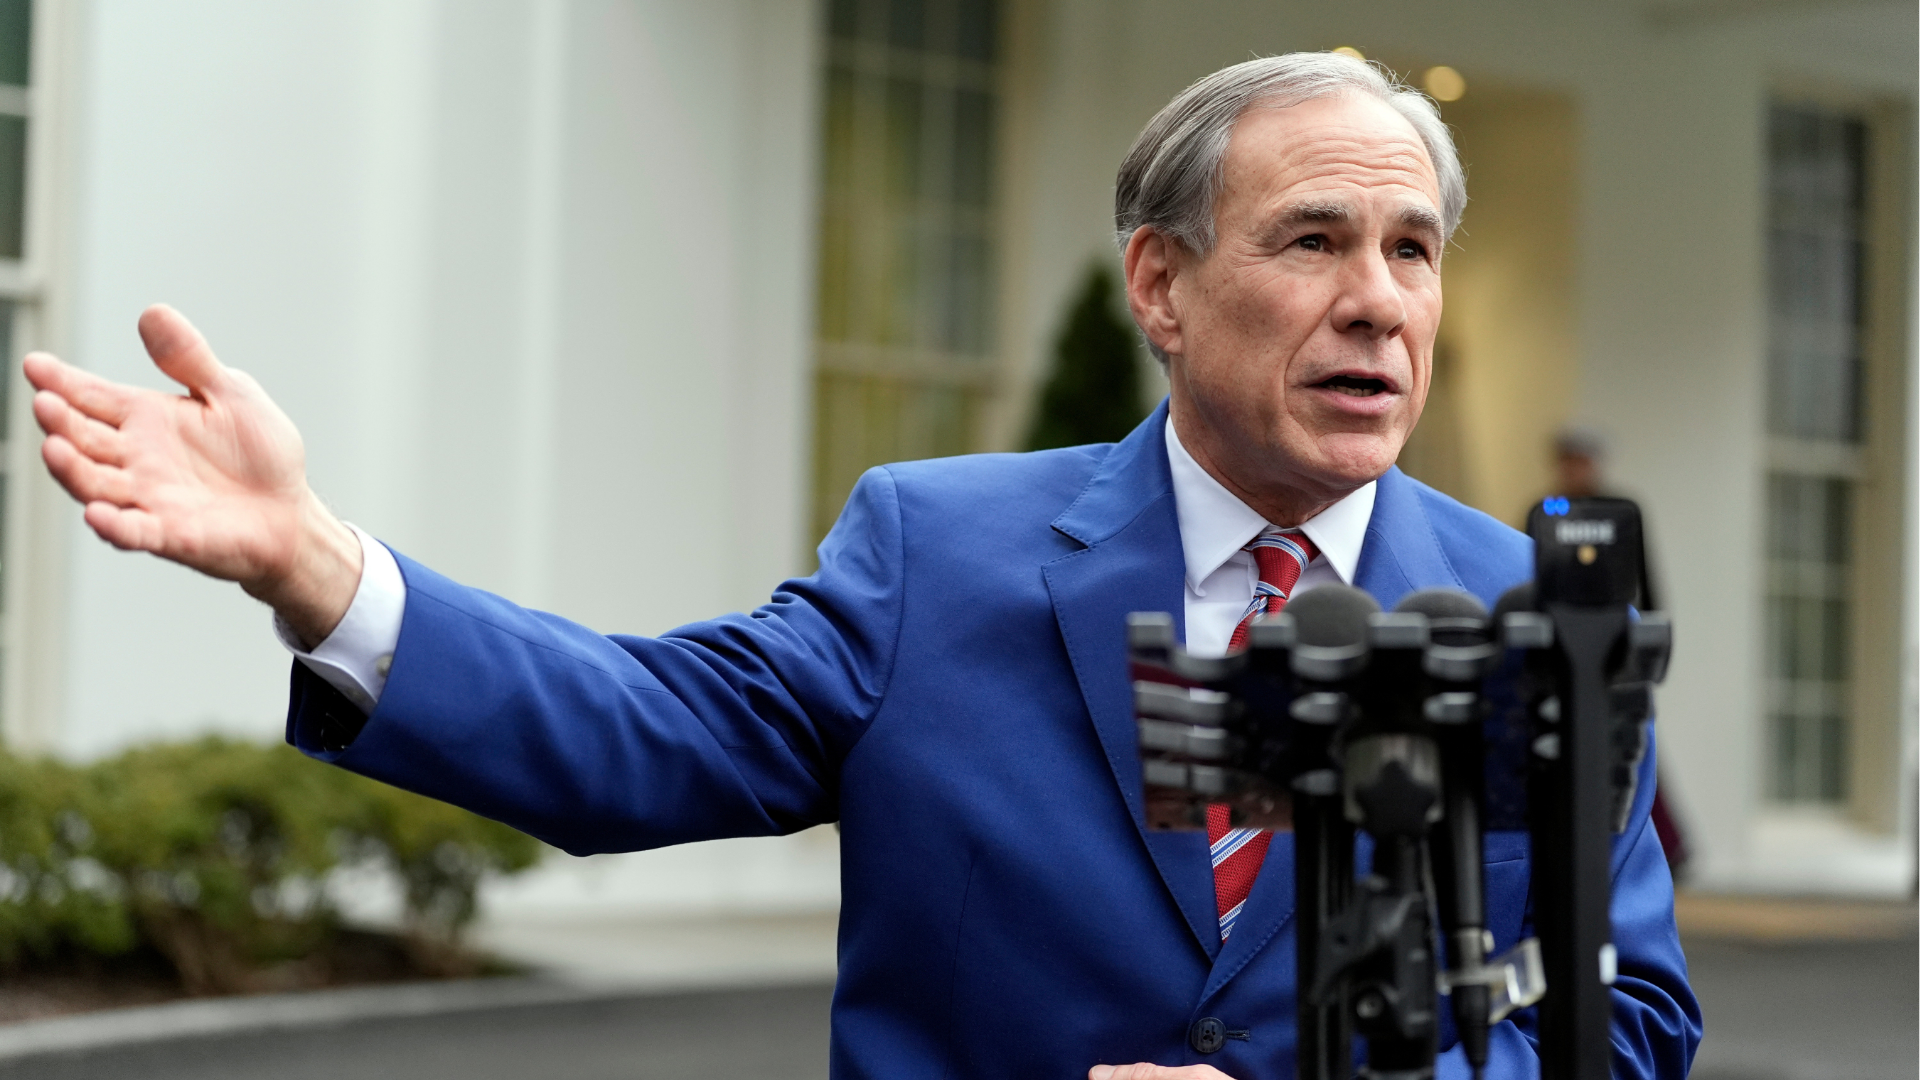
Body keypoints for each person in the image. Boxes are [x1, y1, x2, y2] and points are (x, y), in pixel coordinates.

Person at [23, 53, 1698, 1079]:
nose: (1381, 299)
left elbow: (1625, 1032)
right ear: (1162, 286)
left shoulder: (1538, 619)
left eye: (1413, 250)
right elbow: (640, 737)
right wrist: (316, 565)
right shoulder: (936, 551)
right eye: (1315, 239)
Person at [1546, 426, 1691, 881]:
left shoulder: (1622, 510)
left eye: (1582, 460)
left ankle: (1664, 844)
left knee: (1630, 736)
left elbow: (1644, 576)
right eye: (1568, 460)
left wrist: (1647, 636)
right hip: (1564, 642)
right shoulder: (1548, 510)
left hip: (1615, 639)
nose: (1575, 470)